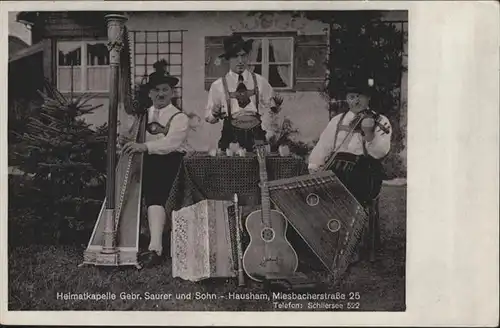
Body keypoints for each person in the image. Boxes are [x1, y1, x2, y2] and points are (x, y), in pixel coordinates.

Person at [121, 61, 189, 267]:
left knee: (157, 198)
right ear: (150, 93)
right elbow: (132, 136)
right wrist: (126, 141)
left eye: (165, 90)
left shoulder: (179, 117)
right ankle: (145, 240)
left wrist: (144, 147)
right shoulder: (142, 115)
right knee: (149, 199)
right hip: (147, 162)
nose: (161, 94)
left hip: (171, 163)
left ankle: (156, 247)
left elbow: (171, 144)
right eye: (157, 90)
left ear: (172, 93)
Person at [205, 34, 277, 152]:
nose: (240, 61)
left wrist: (268, 130)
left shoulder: (260, 81)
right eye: (235, 56)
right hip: (230, 135)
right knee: (230, 168)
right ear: (228, 58)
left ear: (247, 56)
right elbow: (209, 118)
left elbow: (272, 108)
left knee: (258, 169)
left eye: (243, 56)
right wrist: (214, 113)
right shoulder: (218, 85)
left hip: (256, 136)